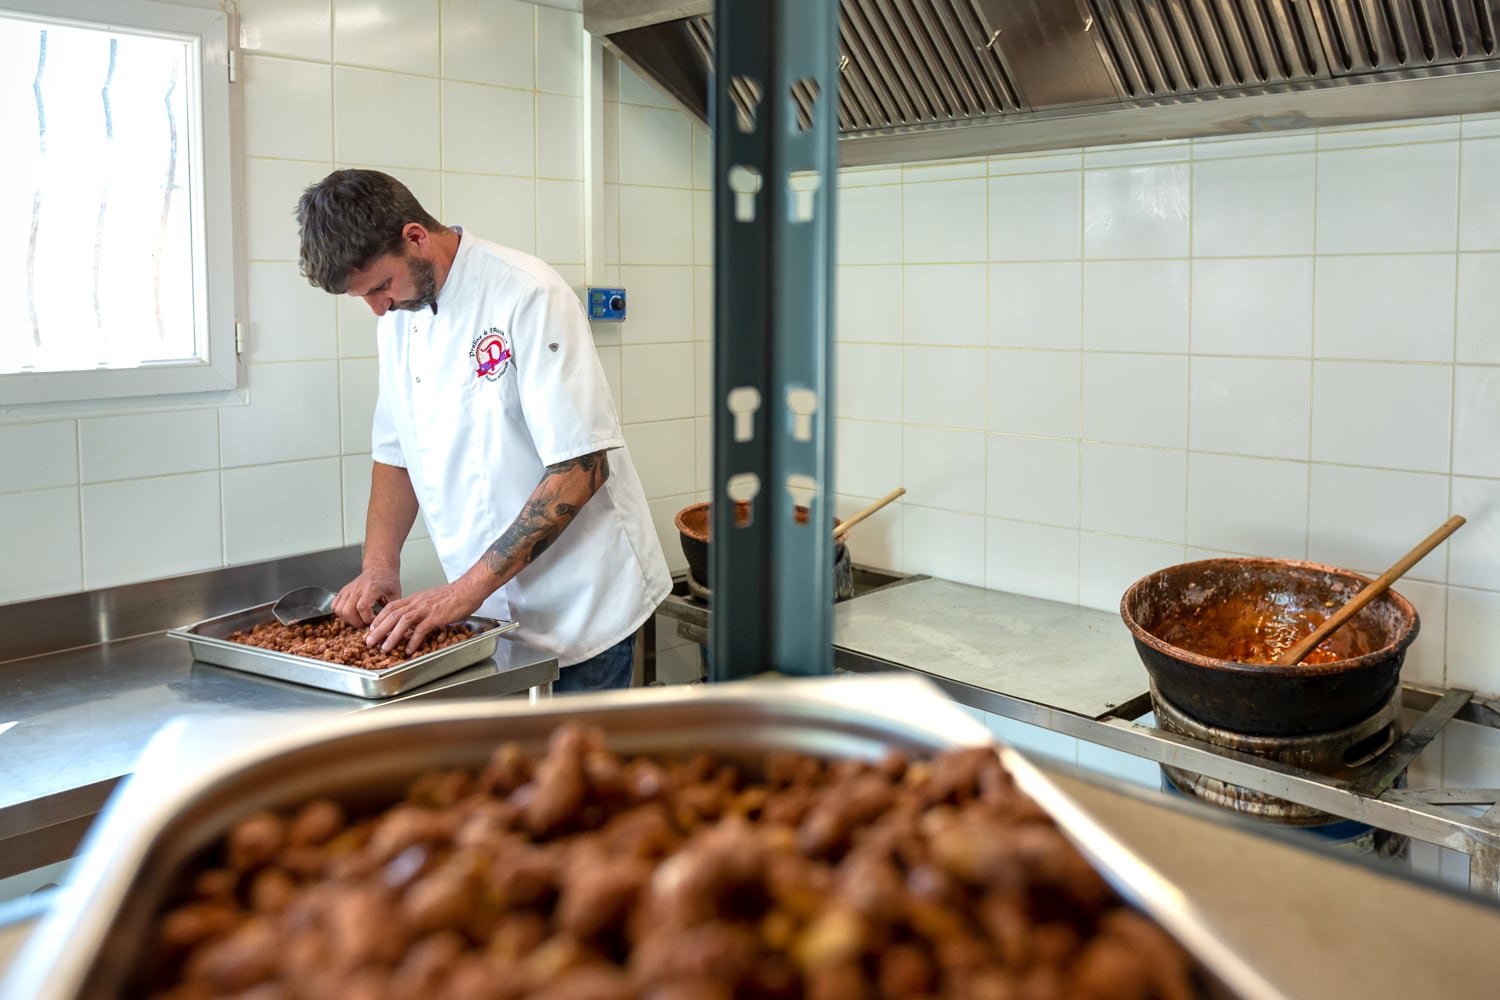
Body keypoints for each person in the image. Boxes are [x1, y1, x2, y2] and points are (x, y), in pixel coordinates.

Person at [295, 169, 670, 692]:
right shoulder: (397, 321)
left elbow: (582, 468)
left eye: (381, 286)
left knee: (578, 771)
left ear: (415, 238)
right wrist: (379, 565)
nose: (378, 307)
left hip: (582, 605)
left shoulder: (528, 293)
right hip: (487, 617)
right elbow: (395, 452)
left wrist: (463, 592)